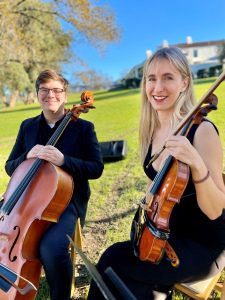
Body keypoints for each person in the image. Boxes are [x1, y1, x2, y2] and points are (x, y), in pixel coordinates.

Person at [87, 47, 225, 300]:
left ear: (184, 82)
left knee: (113, 261)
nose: (157, 87)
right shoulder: (151, 132)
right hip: (165, 231)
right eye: (151, 78)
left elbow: (216, 210)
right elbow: (157, 186)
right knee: (131, 278)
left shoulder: (202, 131)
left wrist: (197, 163)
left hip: (202, 243)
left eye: (168, 77)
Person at [5, 69, 104, 300]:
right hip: (25, 200)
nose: (51, 95)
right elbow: (10, 166)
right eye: (45, 90)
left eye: (56, 90)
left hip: (65, 203)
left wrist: (64, 161)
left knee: (51, 249)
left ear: (65, 94)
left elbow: (96, 168)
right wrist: (27, 155)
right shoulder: (27, 126)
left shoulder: (83, 128)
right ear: (37, 94)